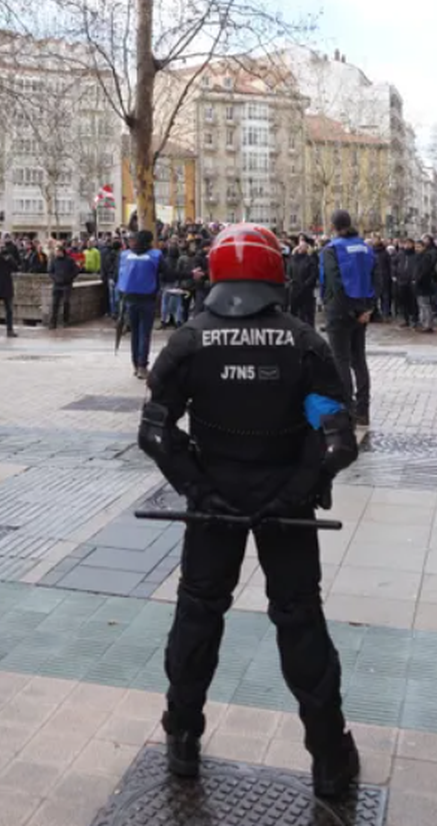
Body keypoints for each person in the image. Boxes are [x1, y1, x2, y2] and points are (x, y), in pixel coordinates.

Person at [140, 224, 361, 796]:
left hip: (214, 503)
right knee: (299, 620)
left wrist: (198, 488)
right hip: (285, 506)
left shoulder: (188, 341)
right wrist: (297, 487)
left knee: (197, 615)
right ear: (274, 272)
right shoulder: (302, 342)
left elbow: (157, 433)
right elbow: (336, 437)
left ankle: (183, 736)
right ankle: (329, 756)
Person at [318, 211, 375, 426]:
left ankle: (347, 409)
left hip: (339, 310)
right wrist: (367, 309)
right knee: (359, 360)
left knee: (340, 360)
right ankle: (363, 410)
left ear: (333, 226)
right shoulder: (365, 247)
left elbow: (334, 283)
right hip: (363, 308)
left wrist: (350, 310)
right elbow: (375, 278)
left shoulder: (331, 249)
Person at [119, 230, 163, 378]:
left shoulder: (125, 255)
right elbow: (168, 273)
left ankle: (135, 364)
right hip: (147, 298)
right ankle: (142, 366)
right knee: (145, 333)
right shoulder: (155, 255)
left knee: (135, 334)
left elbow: (117, 274)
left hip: (129, 298)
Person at [286, 236, 319, 327]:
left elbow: (314, 274)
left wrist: (306, 284)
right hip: (294, 290)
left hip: (306, 291)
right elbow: (288, 272)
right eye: (299, 247)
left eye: (302, 247)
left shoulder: (310, 259)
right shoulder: (293, 259)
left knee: (307, 314)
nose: (300, 248)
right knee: (294, 313)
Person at [0, 241, 18, 338]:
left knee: (9, 310)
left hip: (7, 286)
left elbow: (16, 267)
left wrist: (9, 259)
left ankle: (9, 330)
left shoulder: (9, 257)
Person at [49, 244, 78, 329]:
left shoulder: (69, 260)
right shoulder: (54, 261)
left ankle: (65, 321)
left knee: (66, 302)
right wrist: (55, 278)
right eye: (56, 252)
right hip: (57, 284)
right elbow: (50, 272)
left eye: (58, 251)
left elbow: (76, 270)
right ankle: (53, 322)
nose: (56, 253)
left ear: (62, 252)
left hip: (66, 284)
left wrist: (70, 278)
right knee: (55, 304)